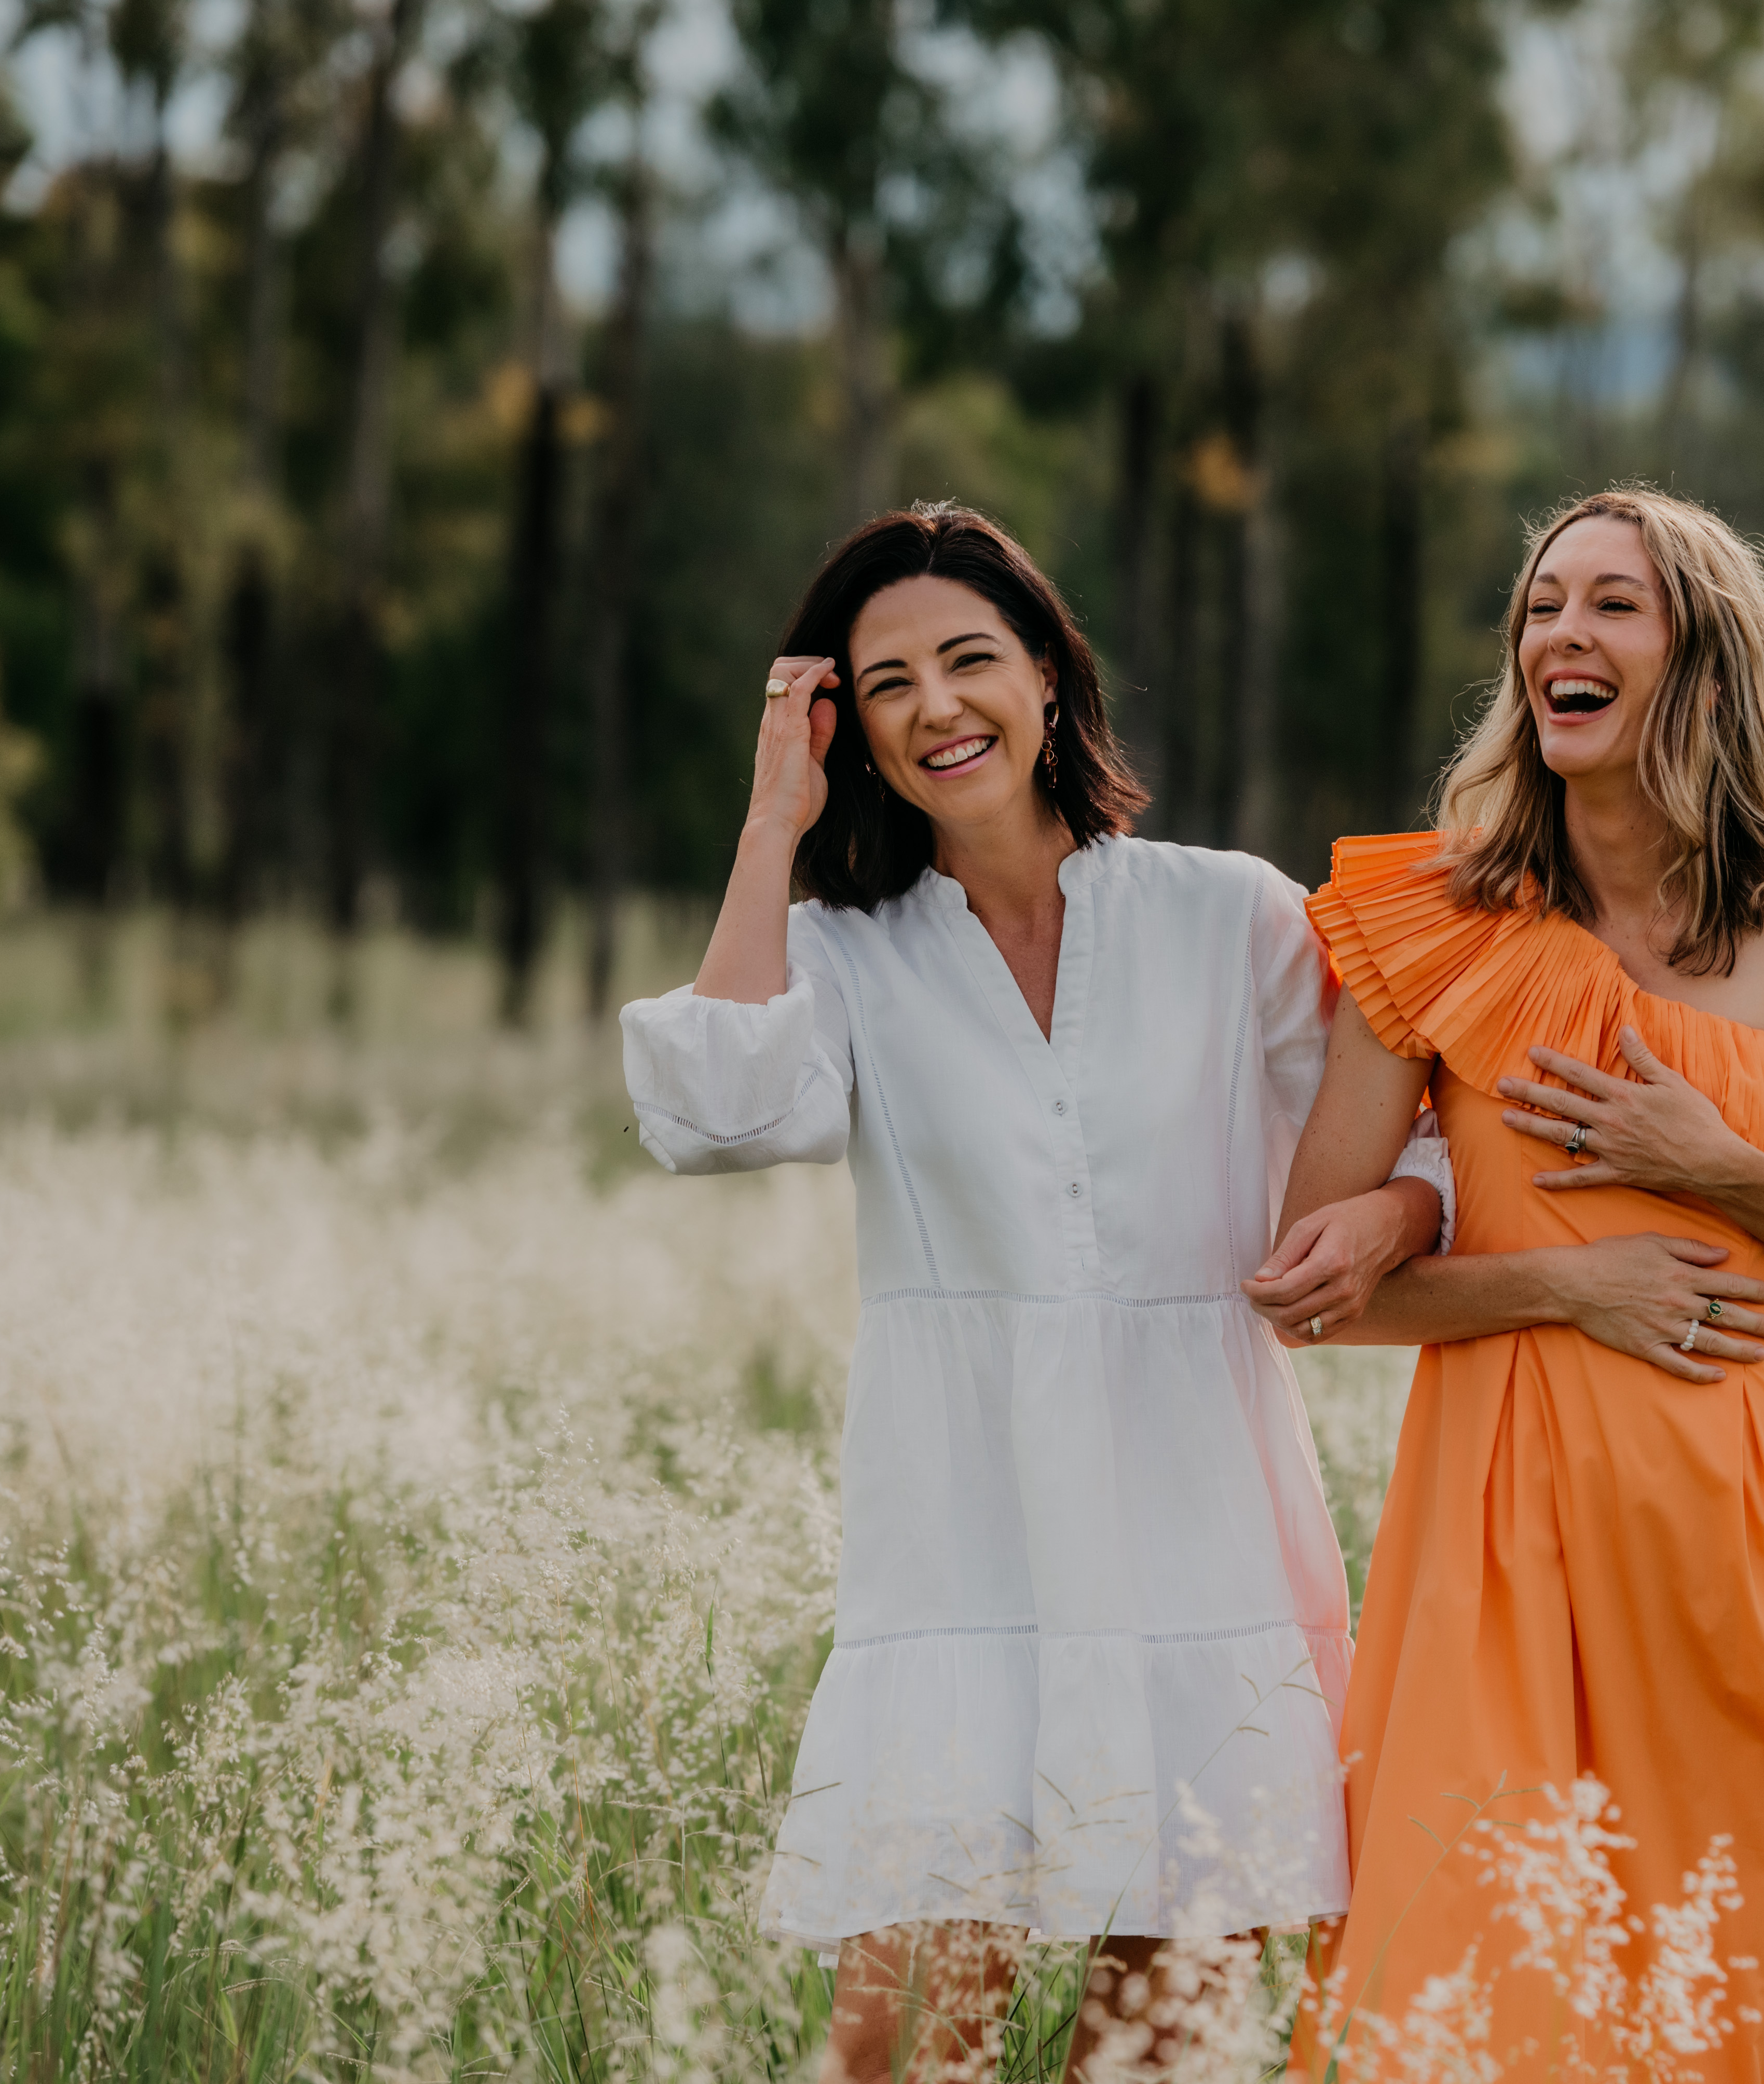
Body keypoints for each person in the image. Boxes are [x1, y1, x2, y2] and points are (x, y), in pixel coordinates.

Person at [617, 504, 1461, 2081]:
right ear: (847, 730)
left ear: (1050, 681)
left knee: (1164, 2056)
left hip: (1199, 1541)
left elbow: (1433, 1134)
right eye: (886, 686)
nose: (937, 707)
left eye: (968, 660)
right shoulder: (846, 950)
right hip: (961, 1556)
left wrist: (1405, 1213)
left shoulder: (1232, 917)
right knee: (898, 2055)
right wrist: (770, 818)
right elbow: (711, 1115)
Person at [1247, 488, 1764, 2084]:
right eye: (1541, 607)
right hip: (1490, 1523)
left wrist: (1721, 1165)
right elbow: (1313, 1291)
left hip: (1738, 1524)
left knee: (1735, 2000)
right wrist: (1562, 1292)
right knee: (1461, 1994)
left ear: (1704, 657)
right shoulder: (1440, 916)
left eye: (1612, 607)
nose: (1560, 636)